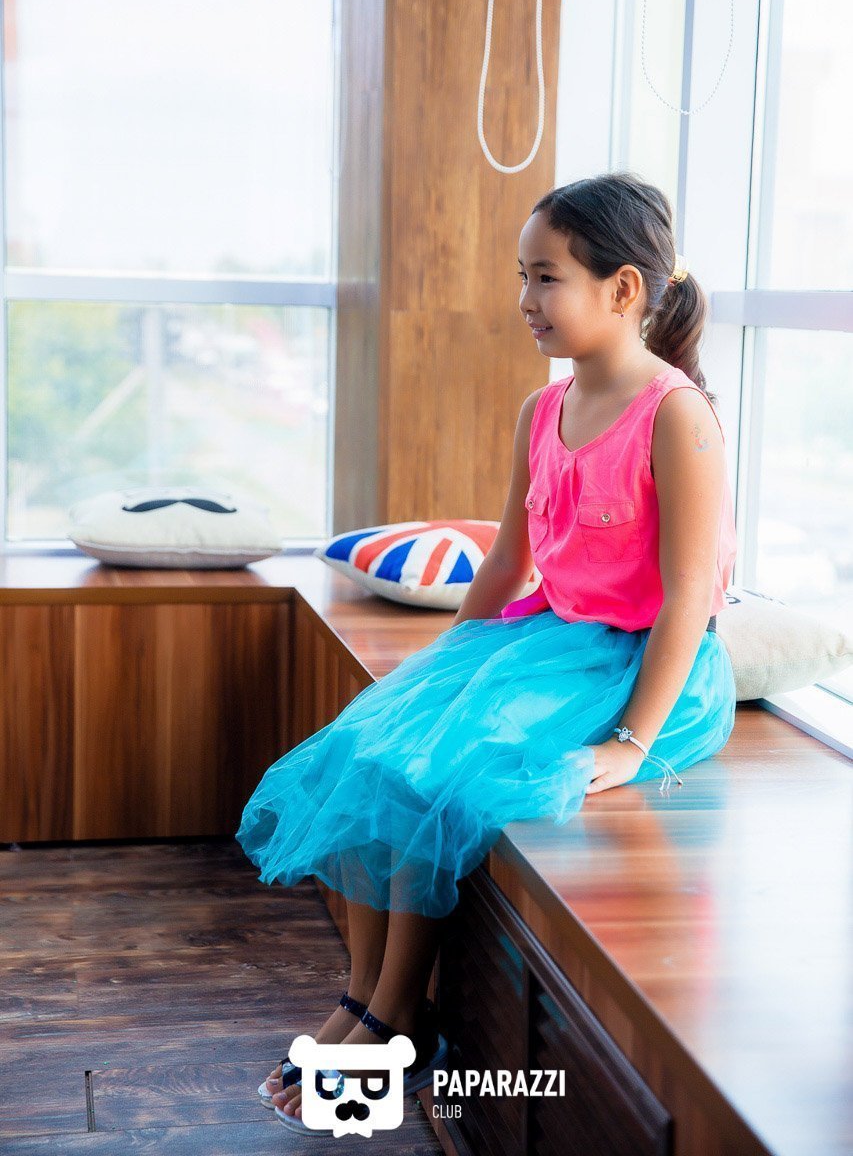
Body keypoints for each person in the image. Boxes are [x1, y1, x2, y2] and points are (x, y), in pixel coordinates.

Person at [235, 171, 738, 1129]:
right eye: (522, 276)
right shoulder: (540, 410)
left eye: (546, 277)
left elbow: (687, 600)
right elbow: (509, 558)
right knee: (372, 749)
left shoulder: (676, 415)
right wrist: (441, 668)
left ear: (622, 289)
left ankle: (396, 1019)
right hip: (545, 642)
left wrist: (630, 742)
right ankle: (364, 996)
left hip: (639, 670)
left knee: (438, 777)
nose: (524, 299)